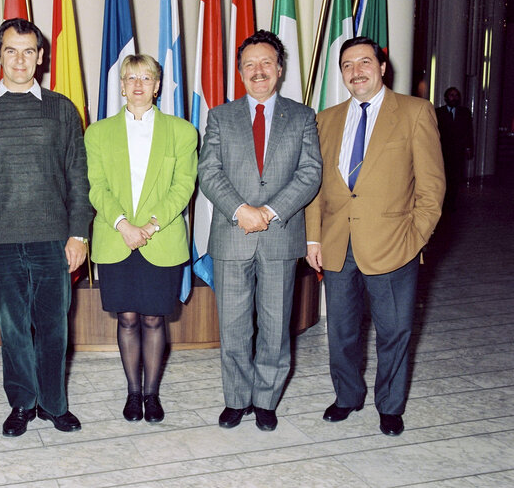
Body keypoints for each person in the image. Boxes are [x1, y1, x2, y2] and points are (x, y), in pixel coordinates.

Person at [0, 18, 92, 437]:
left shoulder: (61, 108)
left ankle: (53, 405)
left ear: (41, 56)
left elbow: (77, 177)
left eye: (28, 51)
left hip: (53, 239)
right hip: (0, 242)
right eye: (11, 50)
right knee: (14, 330)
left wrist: (78, 233)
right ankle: (22, 404)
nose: (20, 59)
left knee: (54, 328)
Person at [305, 36, 445, 436]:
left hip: (394, 243)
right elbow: (316, 186)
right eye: (348, 65)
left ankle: (390, 405)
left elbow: (432, 187)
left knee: (394, 330)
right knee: (342, 331)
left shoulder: (415, 113)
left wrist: (415, 236)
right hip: (336, 243)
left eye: (365, 62)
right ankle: (348, 396)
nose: (356, 71)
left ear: (382, 67)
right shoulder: (326, 119)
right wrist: (313, 238)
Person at [198, 30, 322, 432]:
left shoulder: (302, 116)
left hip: (279, 236)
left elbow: (310, 173)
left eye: (266, 62)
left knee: (275, 325)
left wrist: (268, 212)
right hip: (232, 236)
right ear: (239, 71)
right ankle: (236, 399)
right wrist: (240, 210)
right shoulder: (220, 115)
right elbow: (209, 171)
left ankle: (266, 400)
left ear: (280, 68)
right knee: (233, 326)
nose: (258, 71)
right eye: (249, 64)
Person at [84, 55, 197, 423]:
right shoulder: (97, 133)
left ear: (157, 85)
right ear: (120, 85)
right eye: (130, 77)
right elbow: (96, 187)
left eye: (146, 78)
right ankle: (134, 393)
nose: (137, 85)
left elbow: (183, 187)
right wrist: (122, 225)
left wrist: (148, 227)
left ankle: (153, 394)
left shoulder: (182, 132)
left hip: (160, 239)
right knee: (128, 318)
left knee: (153, 319)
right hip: (116, 238)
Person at [436, 87, 473, 211]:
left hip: (457, 151)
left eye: (456, 95)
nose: (454, 98)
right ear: (446, 98)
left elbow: (469, 131)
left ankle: (452, 202)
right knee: (442, 176)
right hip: (442, 151)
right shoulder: (438, 112)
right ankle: (442, 200)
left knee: (455, 177)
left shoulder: (465, 113)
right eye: (451, 95)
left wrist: (468, 147)